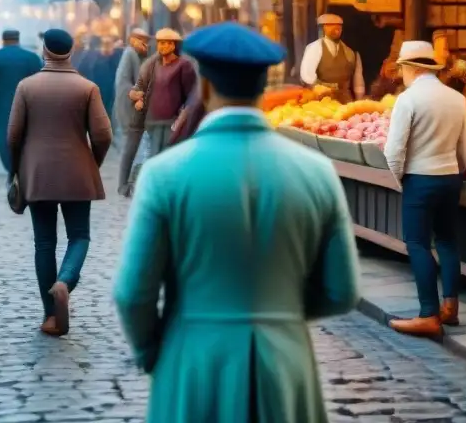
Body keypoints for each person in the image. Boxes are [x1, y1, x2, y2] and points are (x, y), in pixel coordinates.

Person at [113, 23, 359, 422]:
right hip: (285, 360)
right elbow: (341, 291)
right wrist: (280, 313)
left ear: (205, 88)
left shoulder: (164, 174)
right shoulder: (317, 172)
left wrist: (150, 351)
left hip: (193, 357)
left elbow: (132, 294)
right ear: (264, 87)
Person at [8, 28, 112, 337]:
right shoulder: (87, 87)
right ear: (71, 51)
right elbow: (104, 135)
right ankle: (64, 282)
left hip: (38, 173)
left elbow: (13, 136)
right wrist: (94, 161)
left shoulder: (27, 86)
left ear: (44, 50)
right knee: (79, 236)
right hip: (77, 171)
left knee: (44, 242)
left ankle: (50, 316)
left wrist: (16, 171)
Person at [382, 41, 466, 339]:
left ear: (411, 68)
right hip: (450, 176)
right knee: (447, 240)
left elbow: (393, 151)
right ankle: (451, 307)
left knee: (417, 243)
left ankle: (428, 314)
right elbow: (464, 149)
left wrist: (400, 180)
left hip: (419, 177)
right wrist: (454, 172)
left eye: (403, 68)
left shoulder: (408, 100)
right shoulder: (457, 98)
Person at [0, 29, 42, 174]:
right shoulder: (32, 57)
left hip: (2, 108)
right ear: (18, 39)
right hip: (28, 107)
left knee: (4, 140)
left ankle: (12, 169)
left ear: (3, 40)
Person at [131, 28, 196, 159]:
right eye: (161, 43)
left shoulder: (184, 65)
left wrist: (181, 120)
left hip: (171, 123)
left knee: (169, 158)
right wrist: (137, 97)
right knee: (153, 157)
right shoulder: (153, 65)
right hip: (152, 122)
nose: (163, 46)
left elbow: (192, 95)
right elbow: (141, 87)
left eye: (167, 43)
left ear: (174, 45)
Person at [299, 13, 365, 102]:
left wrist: (359, 99)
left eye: (339, 25)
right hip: (320, 100)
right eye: (330, 25)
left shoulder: (350, 51)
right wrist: (319, 89)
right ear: (323, 28)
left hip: (345, 100)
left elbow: (358, 78)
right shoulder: (314, 48)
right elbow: (307, 76)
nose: (336, 28)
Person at [114, 28, 150, 141]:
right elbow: (139, 80)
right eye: (142, 40)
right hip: (129, 104)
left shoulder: (132, 53)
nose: (145, 44)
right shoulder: (131, 53)